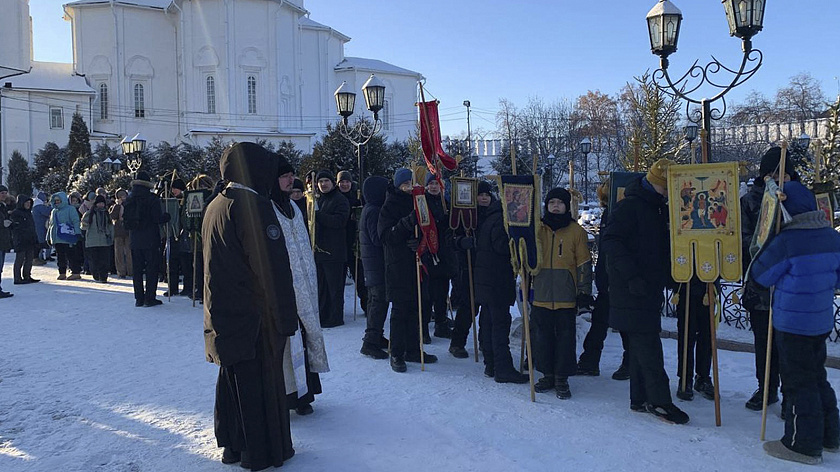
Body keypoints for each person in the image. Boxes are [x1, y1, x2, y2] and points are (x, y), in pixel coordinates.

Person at [204, 142, 299, 470]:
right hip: (255, 318)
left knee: (233, 382)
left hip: (225, 315)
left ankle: (233, 445)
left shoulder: (216, 203)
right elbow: (271, 269)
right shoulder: (253, 206)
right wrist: (286, 317)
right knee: (258, 385)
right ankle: (259, 453)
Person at [750, 181, 840, 465]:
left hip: (792, 324)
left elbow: (761, 277)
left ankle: (803, 444)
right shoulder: (832, 237)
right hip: (821, 320)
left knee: (798, 383)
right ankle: (830, 435)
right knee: (816, 377)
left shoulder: (787, 241)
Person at [600, 158, 689, 424]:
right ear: (653, 184)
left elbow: (656, 249)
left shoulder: (656, 207)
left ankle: (639, 398)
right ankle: (660, 402)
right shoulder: (631, 206)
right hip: (631, 288)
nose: (667, 193)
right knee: (649, 346)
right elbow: (610, 241)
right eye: (664, 188)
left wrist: (669, 276)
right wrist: (632, 276)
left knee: (642, 344)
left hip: (646, 287)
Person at [271, 159, 330, 416]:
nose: (289, 180)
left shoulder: (294, 207)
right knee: (288, 341)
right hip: (284, 286)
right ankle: (288, 398)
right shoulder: (268, 208)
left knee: (306, 337)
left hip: (305, 282)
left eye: (291, 175)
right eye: (284, 176)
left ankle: (305, 395)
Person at [741, 147, 790, 411]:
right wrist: (766, 244)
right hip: (760, 284)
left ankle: (790, 391)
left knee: (788, 342)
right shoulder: (750, 201)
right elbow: (744, 239)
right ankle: (766, 387)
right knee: (764, 341)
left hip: (788, 287)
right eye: (774, 173)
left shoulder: (794, 198)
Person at [531, 187, 592, 399]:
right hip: (541, 291)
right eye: (551, 202)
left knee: (565, 337)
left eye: (559, 202)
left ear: (566, 206)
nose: (555, 206)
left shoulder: (576, 231)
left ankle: (561, 377)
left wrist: (584, 291)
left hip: (566, 294)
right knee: (542, 336)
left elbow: (584, 262)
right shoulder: (538, 228)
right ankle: (547, 374)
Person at [378, 168, 437, 372]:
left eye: (410, 184)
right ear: (398, 185)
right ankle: (396, 352)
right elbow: (385, 236)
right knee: (400, 310)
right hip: (397, 266)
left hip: (417, 264)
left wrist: (420, 241)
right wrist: (405, 224)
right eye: (404, 184)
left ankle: (413, 348)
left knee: (416, 308)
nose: (408, 187)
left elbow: (429, 228)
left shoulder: (419, 201)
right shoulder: (389, 206)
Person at [472, 181, 528, 384]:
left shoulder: (490, 217)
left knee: (488, 321)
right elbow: (502, 247)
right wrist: (519, 244)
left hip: (486, 278)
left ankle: (491, 363)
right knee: (499, 324)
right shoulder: (501, 220)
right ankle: (502, 368)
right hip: (496, 278)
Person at [577, 179, 629, 380]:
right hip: (607, 279)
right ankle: (590, 361)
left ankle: (628, 361)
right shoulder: (609, 214)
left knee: (622, 324)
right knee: (600, 323)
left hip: (617, 279)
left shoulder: (620, 215)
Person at [448, 181, 492, 359]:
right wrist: (461, 242)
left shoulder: (496, 214)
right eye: (480, 194)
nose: (483, 198)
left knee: (488, 308)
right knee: (469, 307)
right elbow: (450, 238)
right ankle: (457, 342)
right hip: (469, 266)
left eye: (486, 195)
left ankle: (484, 341)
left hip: (489, 267)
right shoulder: (465, 215)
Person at [125, 171, 170, 307]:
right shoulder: (152, 199)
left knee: (137, 270)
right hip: (150, 238)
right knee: (151, 269)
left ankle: (139, 298)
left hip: (134, 239)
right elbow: (157, 218)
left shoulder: (129, 199)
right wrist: (166, 217)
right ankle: (149, 297)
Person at [313, 170, 350, 328]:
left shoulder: (339, 199)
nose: (323, 184)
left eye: (326, 181)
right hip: (320, 251)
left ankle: (335, 316)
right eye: (320, 182)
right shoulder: (320, 200)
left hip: (334, 251)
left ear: (332, 182)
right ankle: (323, 314)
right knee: (322, 287)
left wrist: (319, 216)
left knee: (334, 287)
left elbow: (339, 221)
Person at [359, 175, 391, 359]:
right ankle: (370, 342)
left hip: (373, 265)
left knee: (376, 301)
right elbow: (377, 238)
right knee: (378, 303)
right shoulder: (374, 210)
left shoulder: (370, 208)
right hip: (376, 265)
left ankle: (376, 335)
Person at [424, 172, 454, 341]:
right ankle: (424, 327)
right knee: (428, 293)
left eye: (437, 183)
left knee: (442, 291)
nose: (434, 187)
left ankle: (441, 324)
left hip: (444, 253)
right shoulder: (423, 202)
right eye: (431, 184)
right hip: (429, 252)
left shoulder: (446, 203)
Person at [674, 276, 715, 401]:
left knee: (706, 337)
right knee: (686, 336)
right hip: (685, 288)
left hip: (708, 288)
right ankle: (685, 378)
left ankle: (703, 377)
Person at [337, 170, 368, 317]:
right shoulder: (335, 197)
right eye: (342, 182)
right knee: (339, 278)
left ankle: (366, 305)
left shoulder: (357, 196)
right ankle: (338, 308)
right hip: (340, 243)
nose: (344, 184)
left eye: (347, 181)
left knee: (360, 277)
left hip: (355, 243)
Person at [164, 178, 194, 297]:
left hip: (184, 235)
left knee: (186, 263)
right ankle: (173, 287)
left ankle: (188, 287)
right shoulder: (171, 201)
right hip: (173, 234)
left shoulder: (186, 200)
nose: (173, 190)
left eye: (175, 188)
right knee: (172, 263)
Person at [47, 191, 83, 281]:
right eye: (55, 201)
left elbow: (75, 221)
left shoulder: (70, 209)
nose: (57, 202)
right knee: (60, 256)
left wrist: (77, 232)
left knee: (71, 255)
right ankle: (62, 272)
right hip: (57, 237)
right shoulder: (53, 211)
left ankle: (75, 272)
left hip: (68, 237)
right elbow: (51, 225)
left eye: (58, 200)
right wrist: (48, 237)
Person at [81, 195, 115, 283]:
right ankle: (96, 275)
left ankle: (103, 277)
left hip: (104, 240)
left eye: (102, 203)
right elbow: (83, 225)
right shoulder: (90, 213)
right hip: (93, 240)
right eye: (99, 203)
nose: (101, 205)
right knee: (94, 260)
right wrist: (85, 224)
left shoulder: (107, 214)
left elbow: (110, 226)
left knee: (104, 260)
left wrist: (111, 236)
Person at [10, 195, 40, 284]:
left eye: (29, 203)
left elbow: (32, 227)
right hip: (21, 239)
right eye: (26, 203)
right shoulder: (16, 213)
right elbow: (15, 227)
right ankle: (17, 278)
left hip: (30, 239)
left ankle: (27, 276)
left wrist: (35, 238)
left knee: (29, 259)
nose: (28, 204)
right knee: (20, 259)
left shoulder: (28, 213)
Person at [110, 189, 133, 278]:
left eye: (124, 196)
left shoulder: (129, 205)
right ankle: (121, 271)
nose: (123, 198)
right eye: (120, 196)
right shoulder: (115, 206)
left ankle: (131, 270)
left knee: (129, 252)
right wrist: (117, 206)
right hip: (118, 232)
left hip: (128, 231)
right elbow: (112, 216)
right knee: (118, 253)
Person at [0, 185, 13, 298]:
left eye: (5, 192)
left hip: (3, 240)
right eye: (1, 193)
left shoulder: (3, 206)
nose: (4, 195)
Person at [32, 192, 51, 265]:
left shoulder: (35, 205)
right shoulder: (39, 206)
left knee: (39, 243)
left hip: (38, 226)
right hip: (40, 227)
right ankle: (36, 259)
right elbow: (47, 211)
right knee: (39, 243)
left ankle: (38, 258)